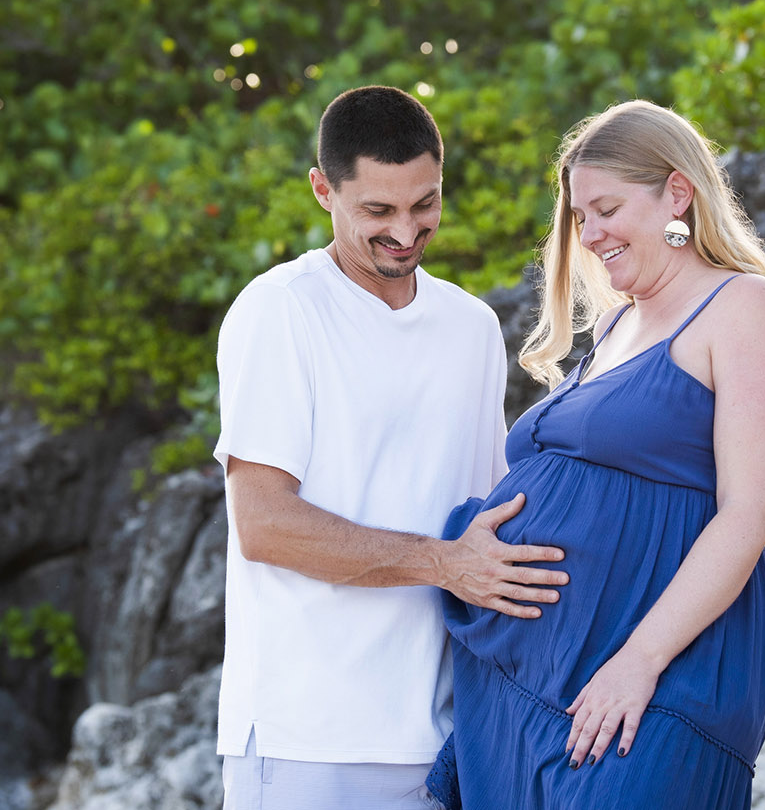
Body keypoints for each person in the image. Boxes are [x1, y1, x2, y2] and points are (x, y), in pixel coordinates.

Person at [426, 100, 765, 809]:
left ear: (676, 192)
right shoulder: (614, 325)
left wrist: (639, 661)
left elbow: (755, 511)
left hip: (660, 674)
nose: (590, 233)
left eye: (606, 208)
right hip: (537, 675)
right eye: (579, 216)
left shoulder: (741, 306)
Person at [214, 85, 569, 810]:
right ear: (323, 190)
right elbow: (265, 525)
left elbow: (492, 515)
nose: (406, 231)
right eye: (378, 210)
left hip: (444, 742)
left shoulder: (471, 329)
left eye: (425, 203)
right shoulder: (280, 311)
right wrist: (445, 564)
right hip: (307, 743)